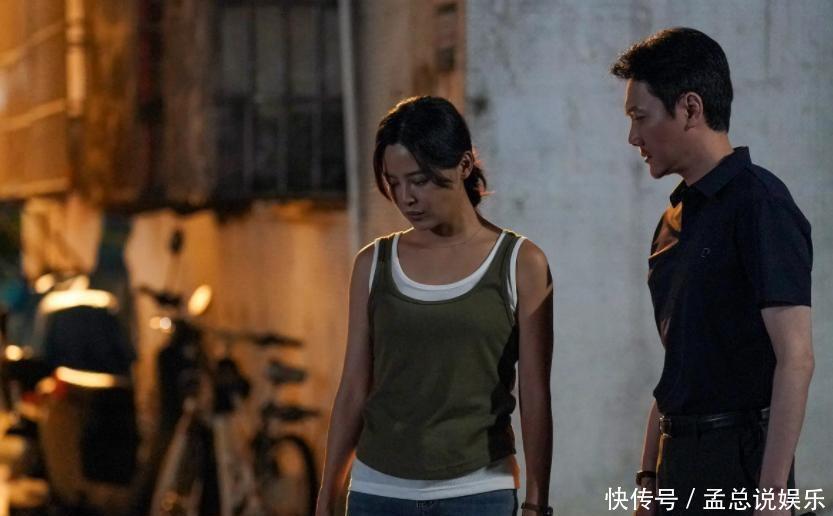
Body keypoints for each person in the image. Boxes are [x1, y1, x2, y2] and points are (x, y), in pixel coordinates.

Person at [315, 96, 554, 516]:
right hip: (378, 492)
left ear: (464, 165)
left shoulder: (521, 263)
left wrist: (537, 502)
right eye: (394, 182)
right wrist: (326, 496)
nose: (406, 197)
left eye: (420, 180)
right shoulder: (374, 264)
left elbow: (535, 395)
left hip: (480, 491)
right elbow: (354, 387)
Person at [610, 28, 813, 516]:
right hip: (676, 462)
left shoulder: (760, 204)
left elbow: (796, 358)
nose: (633, 137)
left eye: (640, 117)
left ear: (690, 108)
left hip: (739, 463)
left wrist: (772, 494)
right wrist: (647, 480)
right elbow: (678, 368)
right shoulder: (672, 220)